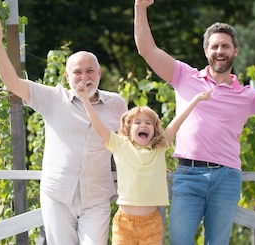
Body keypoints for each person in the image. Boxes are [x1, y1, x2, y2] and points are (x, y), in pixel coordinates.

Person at [133, 0, 255, 245]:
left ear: (235, 51)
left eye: (226, 46)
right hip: (187, 176)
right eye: (214, 46)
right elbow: (147, 49)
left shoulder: (247, 96)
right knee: (179, 241)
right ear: (206, 51)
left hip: (226, 178)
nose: (220, 51)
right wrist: (140, 8)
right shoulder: (183, 76)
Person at [0, 19, 128, 244]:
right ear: (66, 76)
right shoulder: (53, 98)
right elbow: (12, 82)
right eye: (77, 72)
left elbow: (130, 145)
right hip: (58, 195)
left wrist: (155, 161)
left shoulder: (116, 104)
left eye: (90, 71)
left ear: (99, 72)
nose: (84, 77)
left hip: (97, 198)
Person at [74, 78, 210, 244]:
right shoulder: (120, 145)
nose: (143, 125)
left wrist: (196, 99)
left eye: (148, 123)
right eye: (137, 122)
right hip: (124, 223)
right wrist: (85, 99)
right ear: (128, 129)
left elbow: (177, 122)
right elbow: (98, 126)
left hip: (152, 223)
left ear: (154, 130)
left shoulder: (159, 149)